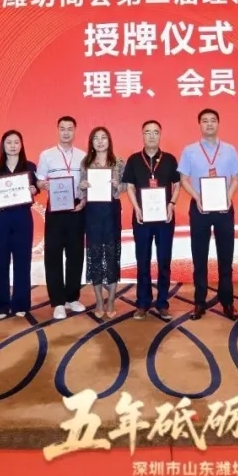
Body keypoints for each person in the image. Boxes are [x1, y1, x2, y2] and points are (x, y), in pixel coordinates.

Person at [178, 108, 238, 320]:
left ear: (218, 123)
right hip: (200, 208)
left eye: (213, 120)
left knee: (226, 257)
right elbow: (183, 179)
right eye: (205, 120)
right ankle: (199, 302)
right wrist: (197, 197)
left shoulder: (230, 150)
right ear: (200, 125)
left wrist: (228, 197)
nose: (209, 124)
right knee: (199, 256)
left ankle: (227, 301)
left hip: (224, 208)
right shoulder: (190, 150)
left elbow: (236, 179)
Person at [122, 120, 178, 321]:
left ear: (160, 135)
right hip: (142, 219)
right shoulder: (134, 160)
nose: (152, 135)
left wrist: (171, 204)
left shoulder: (170, 159)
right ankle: (143, 303)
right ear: (142, 135)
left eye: (155, 132)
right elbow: (129, 186)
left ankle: (162, 303)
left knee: (164, 261)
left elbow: (177, 184)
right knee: (143, 261)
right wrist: (136, 208)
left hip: (165, 219)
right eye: (148, 132)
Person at [36, 115, 86, 320]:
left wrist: (84, 200)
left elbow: (86, 183)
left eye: (70, 129)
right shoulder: (47, 155)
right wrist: (43, 185)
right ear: (57, 130)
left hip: (76, 207)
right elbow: (39, 181)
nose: (66, 132)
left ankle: (72, 297)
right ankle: (57, 301)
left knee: (76, 254)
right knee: (53, 255)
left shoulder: (83, 156)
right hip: (55, 208)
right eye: (62, 128)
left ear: (75, 131)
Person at [0, 130, 39, 319]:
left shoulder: (30, 166)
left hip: (22, 217)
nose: (13, 145)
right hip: (1, 219)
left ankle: (20, 303)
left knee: (22, 261)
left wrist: (34, 188)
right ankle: (0, 305)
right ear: (3, 145)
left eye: (16, 142)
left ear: (21, 145)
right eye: (9, 142)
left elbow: (36, 187)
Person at [79, 126, 126, 319]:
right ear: (91, 142)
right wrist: (82, 186)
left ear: (109, 141)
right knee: (95, 256)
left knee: (112, 256)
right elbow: (81, 190)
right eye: (96, 138)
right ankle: (99, 300)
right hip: (93, 213)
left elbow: (125, 187)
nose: (100, 141)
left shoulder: (119, 162)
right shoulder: (86, 162)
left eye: (103, 137)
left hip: (111, 212)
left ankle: (112, 299)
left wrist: (118, 186)